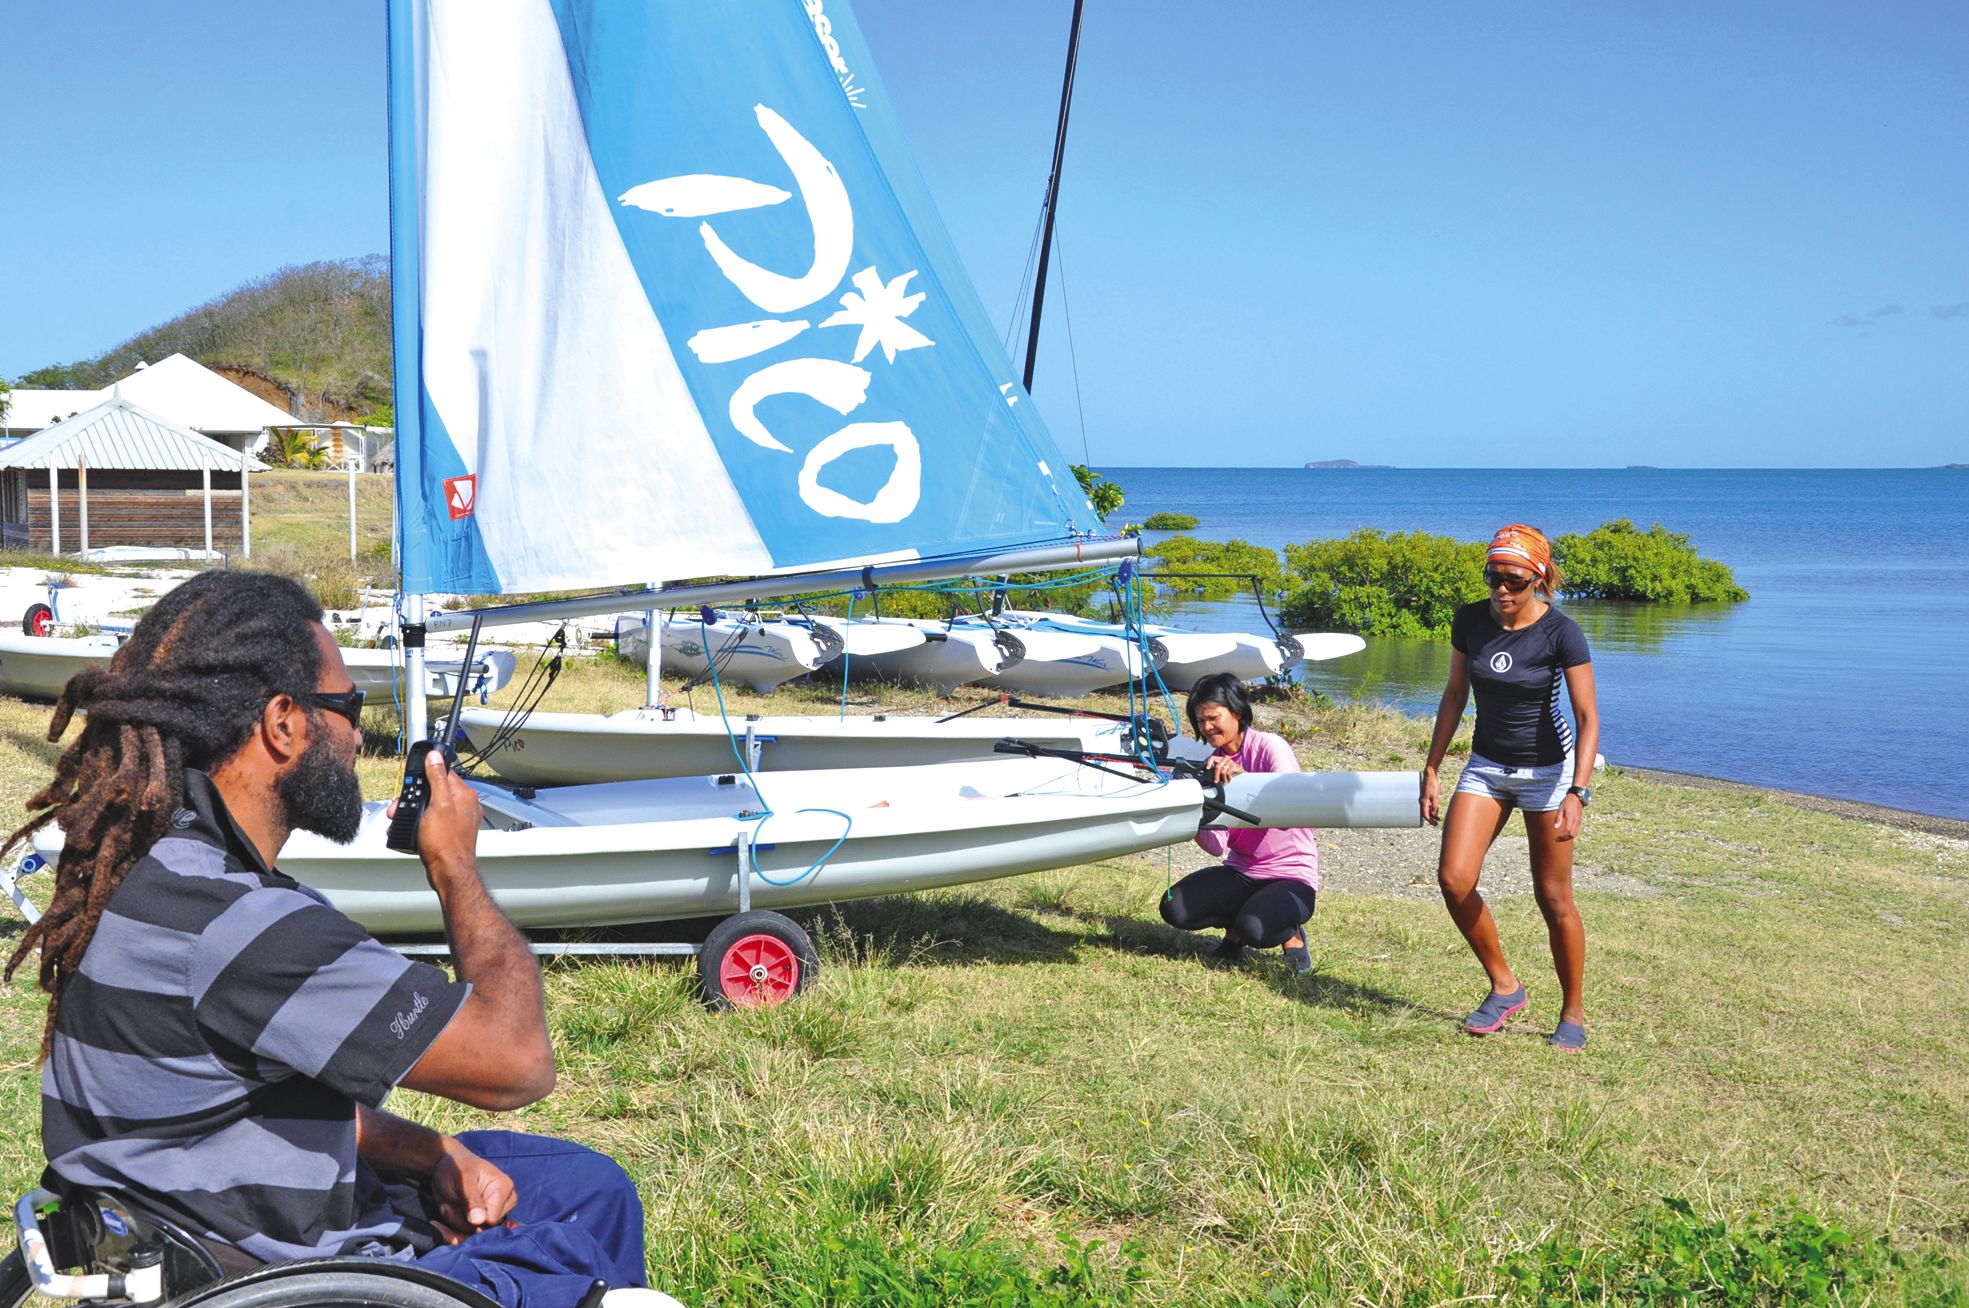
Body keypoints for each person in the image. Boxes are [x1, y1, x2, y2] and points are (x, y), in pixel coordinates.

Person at [3, 571, 681, 1308]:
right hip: (290, 1277)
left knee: (589, 1187)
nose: (358, 734)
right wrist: (454, 866)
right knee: (575, 1248)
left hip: (195, 1227)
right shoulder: (243, 924)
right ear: (284, 722)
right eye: (347, 706)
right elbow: (517, 1065)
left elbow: (231, 1104)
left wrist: (429, 1151)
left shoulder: (158, 871)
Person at [1420, 524, 1599, 1050]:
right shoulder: (1471, 620)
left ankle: (1573, 1011)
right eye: (1493, 577)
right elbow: (1454, 695)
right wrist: (1431, 768)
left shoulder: (1561, 632)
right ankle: (1505, 985)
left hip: (1548, 773)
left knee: (1553, 896)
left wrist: (1578, 792)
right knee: (1454, 879)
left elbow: (1587, 718)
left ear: (1537, 578)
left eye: (1514, 580)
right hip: (1486, 767)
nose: (1501, 589)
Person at [1160, 673, 1320, 973]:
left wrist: (1242, 780)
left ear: (1236, 712)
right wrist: (1195, 810)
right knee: (1174, 907)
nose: (1206, 727)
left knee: (1255, 930)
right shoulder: (1213, 763)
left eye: (1213, 717)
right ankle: (1238, 923)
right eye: (1200, 720)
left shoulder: (1271, 747)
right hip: (1242, 870)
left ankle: (1292, 935)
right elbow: (1217, 847)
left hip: (1291, 873)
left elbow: (1291, 810)